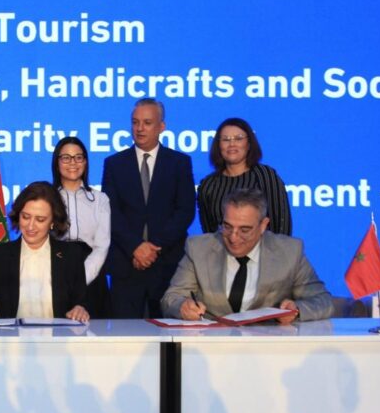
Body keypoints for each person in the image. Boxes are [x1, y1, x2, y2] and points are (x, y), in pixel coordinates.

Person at [162, 188, 332, 324]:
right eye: (227, 226)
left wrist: (296, 310)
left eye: (244, 230)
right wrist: (182, 307)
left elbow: (323, 301)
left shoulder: (290, 251)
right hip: (211, 346)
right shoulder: (199, 248)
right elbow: (171, 298)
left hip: (268, 349)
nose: (233, 237)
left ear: (263, 225)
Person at [102, 98, 195, 318]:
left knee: (167, 333)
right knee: (124, 332)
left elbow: (185, 211)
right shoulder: (114, 163)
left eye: (147, 122)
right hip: (126, 264)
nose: (140, 128)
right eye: (135, 122)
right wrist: (135, 247)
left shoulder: (179, 162)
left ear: (161, 126)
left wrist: (153, 248)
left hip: (166, 264)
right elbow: (110, 212)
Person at [0, 181, 89, 323]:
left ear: (53, 222)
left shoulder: (72, 254)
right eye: (25, 217)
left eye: (40, 219)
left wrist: (80, 309)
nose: (30, 226)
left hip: (59, 337)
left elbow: (81, 302)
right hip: (13, 337)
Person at [197, 117, 292, 235]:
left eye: (238, 138)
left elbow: (282, 223)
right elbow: (209, 233)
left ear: (249, 144)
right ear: (218, 146)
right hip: (221, 247)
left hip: (265, 246)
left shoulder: (265, 175)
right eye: (225, 139)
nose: (232, 144)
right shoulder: (208, 185)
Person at [51, 136, 111, 318]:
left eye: (78, 157)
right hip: (55, 274)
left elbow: (101, 246)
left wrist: (80, 279)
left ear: (85, 162)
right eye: (66, 158)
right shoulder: (48, 198)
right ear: (57, 162)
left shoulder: (100, 199)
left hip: (92, 275)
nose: (73, 163)